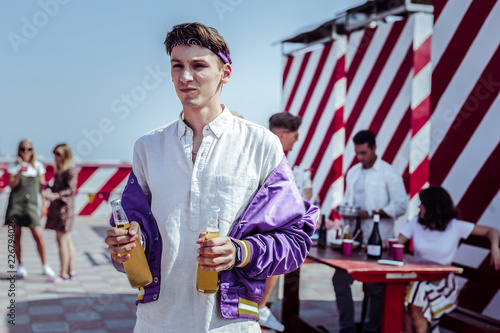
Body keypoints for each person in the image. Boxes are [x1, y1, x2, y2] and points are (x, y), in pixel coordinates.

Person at [104, 22, 318, 333]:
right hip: (155, 321)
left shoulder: (262, 146)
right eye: (177, 65)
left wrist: (239, 251)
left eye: (198, 65)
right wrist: (124, 244)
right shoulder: (147, 147)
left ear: (225, 73)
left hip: (231, 324)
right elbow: (132, 232)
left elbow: (295, 239)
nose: (184, 76)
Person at [332, 129, 407, 333]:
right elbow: (349, 200)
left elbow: (401, 206)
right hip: (355, 239)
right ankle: (347, 328)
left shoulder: (389, 173)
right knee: (339, 280)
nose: (360, 157)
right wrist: (345, 210)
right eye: (357, 153)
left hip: (378, 240)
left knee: (375, 288)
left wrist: (374, 213)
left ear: (374, 148)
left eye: (363, 152)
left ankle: (370, 330)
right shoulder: (354, 172)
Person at [399, 186, 500, 333]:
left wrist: (495, 247)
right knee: (410, 293)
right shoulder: (416, 223)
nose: (419, 206)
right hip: (419, 279)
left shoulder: (455, 226)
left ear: (433, 207)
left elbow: (491, 231)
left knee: (411, 295)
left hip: (442, 283)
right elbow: (397, 241)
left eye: (422, 203)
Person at [255, 111, 313, 332]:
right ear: (281, 135)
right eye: (295, 135)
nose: (297, 140)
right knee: (282, 249)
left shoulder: (266, 153)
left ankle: (260, 307)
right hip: (262, 227)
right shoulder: (272, 156)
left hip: (263, 226)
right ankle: (259, 307)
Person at [4, 139, 55, 278]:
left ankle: (45, 265)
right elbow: (12, 185)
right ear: (18, 150)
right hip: (16, 205)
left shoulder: (38, 166)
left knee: (38, 235)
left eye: (28, 149)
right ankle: (20, 265)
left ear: (32, 151)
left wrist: (44, 205)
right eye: (22, 149)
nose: (25, 152)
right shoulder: (13, 166)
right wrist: (20, 170)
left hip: (32, 205)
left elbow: (42, 188)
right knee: (16, 235)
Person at [44, 143, 77, 282]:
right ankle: (71, 271)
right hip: (60, 208)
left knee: (62, 240)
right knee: (67, 239)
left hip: (64, 209)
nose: (55, 156)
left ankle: (63, 273)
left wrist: (55, 195)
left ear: (65, 154)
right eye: (54, 153)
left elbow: (71, 190)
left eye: (58, 153)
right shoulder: (60, 169)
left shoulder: (69, 169)